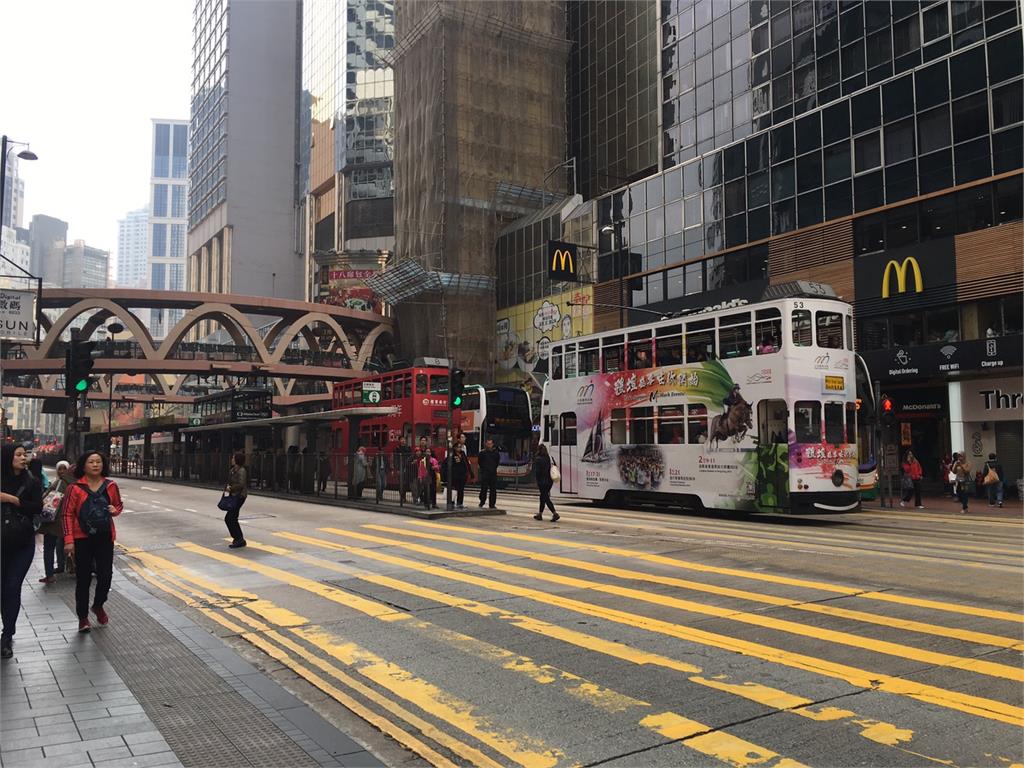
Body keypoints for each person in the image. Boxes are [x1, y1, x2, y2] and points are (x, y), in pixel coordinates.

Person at [62, 451, 123, 633]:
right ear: (84, 465)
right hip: (82, 538)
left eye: (99, 462)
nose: (96, 465)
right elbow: (66, 514)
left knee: (106, 576)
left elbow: (118, 505)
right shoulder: (74, 488)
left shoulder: (111, 486)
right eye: (91, 462)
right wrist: (68, 540)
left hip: (104, 537)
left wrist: (114, 510)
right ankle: (82, 617)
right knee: (83, 578)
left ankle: (98, 605)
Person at [1, 444, 43, 658]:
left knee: (12, 586)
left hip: (22, 542)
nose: (22, 458)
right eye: (17, 454)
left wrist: (11, 499)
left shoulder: (32, 481)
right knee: (2, 589)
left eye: (24, 454)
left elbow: (38, 508)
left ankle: (7, 635)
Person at [39, 460, 73, 584]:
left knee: (49, 547)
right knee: (66, 544)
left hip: (53, 520)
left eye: (64, 468)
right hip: (69, 521)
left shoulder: (59, 483)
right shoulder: (77, 483)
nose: (61, 471)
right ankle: (66, 566)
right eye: (60, 468)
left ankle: (50, 574)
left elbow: (46, 498)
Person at [224, 452, 248, 548]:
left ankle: (239, 539)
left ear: (237, 460)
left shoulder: (242, 471)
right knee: (231, 518)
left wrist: (232, 488)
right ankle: (238, 538)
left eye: (233, 458)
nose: (232, 459)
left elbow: (241, 484)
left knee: (230, 518)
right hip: (233, 496)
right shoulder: (233, 470)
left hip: (239, 496)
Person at [532, 444, 559, 522]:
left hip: (542, 482)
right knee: (543, 497)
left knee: (545, 497)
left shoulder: (538, 459)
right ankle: (540, 514)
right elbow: (554, 467)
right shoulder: (550, 458)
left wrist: (537, 481)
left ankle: (555, 513)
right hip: (550, 481)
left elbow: (538, 472)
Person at [477, 438, 500, 509]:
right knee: (484, 489)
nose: (489, 445)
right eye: (487, 443)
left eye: (490, 444)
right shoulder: (482, 453)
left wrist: (493, 468)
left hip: (493, 474)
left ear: (492, 444)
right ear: (486, 444)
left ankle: (492, 504)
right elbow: (480, 462)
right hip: (485, 473)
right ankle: (482, 501)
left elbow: (497, 462)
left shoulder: (496, 453)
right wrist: (483, 469)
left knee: (493, 490)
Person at [394, 436, 413, 503]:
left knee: (406, 483)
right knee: (401, 483)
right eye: (401, 439)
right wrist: (397, 468)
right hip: (400, 467)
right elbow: (395, 459)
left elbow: (411, 457)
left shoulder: (408, 448)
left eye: (404, 439)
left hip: (407, 467)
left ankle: (404, 496)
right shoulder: (397, 448)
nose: (403, 441)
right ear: (399, 441)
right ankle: (402, 497)